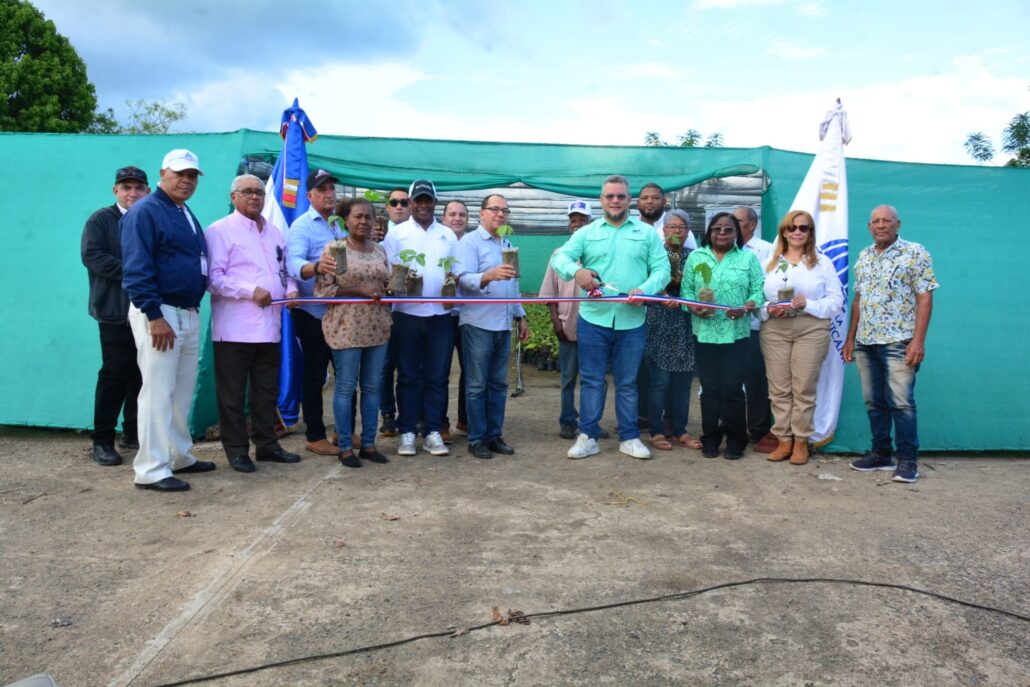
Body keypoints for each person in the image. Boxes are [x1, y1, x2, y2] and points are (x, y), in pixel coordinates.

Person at [552, 175, 670, 461]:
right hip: (594, 319)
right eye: (609, 196)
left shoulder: (647, 234)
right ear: (602, 200)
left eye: (620, 196)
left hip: (632, 321)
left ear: (630, 200)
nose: (615, 201)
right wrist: (576, 272)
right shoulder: (586, 233)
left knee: (627, 382)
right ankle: (588, 435)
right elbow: (560, 259)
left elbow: (662, 269)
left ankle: (629, 437)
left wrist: (646, 289)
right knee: (592, 380)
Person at [121, 149, 215, 491]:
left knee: (181, 392)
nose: (187, 180)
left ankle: (178, 455)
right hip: (160, 312)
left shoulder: (183, 211)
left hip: (186, 311)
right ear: (163, 173)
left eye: (192, 175)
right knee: (158, 392)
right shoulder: (145, 210)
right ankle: (151, 469)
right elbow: (135, 268)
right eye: (180, 174)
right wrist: (153, 314)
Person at [206, 174, 301, 473]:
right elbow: (214, 278)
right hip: (235, 329)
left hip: (270, 327)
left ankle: (267, 444)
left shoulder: (273, 231)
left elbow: (284, 269)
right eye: (247, 192)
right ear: (233, 196)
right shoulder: (220, 231)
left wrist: (292, 289)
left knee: (265, 391)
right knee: (232, 395)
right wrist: (250, 291)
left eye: (259, 192)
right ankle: (236, 450)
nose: (255, 197)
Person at [844, 205, 937, 483]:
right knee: (874, 401)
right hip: (866, 341)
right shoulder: (864, 256)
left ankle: (908, 460)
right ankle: (881, 453)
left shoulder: (915, 252)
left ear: (898, 224)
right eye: (875, 221)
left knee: (901, 403)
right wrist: (850, 339)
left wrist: (918, 341)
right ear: (869, 227)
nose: (881, 225)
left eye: (886, 220)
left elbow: (925, 297)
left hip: (899, 340)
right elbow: (858, 300)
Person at [758, 210, 844, 465]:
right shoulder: (768, 264)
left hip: (810, 328)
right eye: (791, 227)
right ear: (783, 231)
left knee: (803, 387)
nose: (797, 232)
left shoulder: (822, 263)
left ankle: (801, 442)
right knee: (779, 388)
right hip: (775, 329)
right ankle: (783, 440)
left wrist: (808, 304)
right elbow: (756, 301)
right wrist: (768, 309)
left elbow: (836, 302)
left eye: (803, 228)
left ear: (810, 232)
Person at [381, 179, 457, 457]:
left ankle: (433, 431)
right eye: (418, 200)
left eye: (428, 200)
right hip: (406, 315)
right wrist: (399, 283)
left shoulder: (448, 235)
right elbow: (388, 273)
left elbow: (455, 272)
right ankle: (408, 431)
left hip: (440, 316)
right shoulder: (397, 235)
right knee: (409, 376)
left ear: (435, 203)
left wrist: (452, 285)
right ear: (411, 203)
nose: (423, 205)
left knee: (437, 376)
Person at [315, 198, 392, 468]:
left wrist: (394, 288)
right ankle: (346, 446)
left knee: (372, 388)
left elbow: (387, 283)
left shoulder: (380, 251)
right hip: (346, 327)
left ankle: (369, 444)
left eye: (368, 217)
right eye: (358, 217)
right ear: (345, 220)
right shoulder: (336, 250)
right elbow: (324, 291)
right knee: (346, 387)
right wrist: (358, 291)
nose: (363, 222)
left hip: (377, 326)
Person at [81, 165, 148, 466]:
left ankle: (133, 433)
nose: (132, 193)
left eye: (138, 187)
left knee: (142, 374)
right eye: (126, 188)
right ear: (116, 191)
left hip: (149, 312)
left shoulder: (149, 218)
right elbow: (92, 257)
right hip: (114, 312)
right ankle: (103, 440)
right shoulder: (101, 219)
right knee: (115, 374)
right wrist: (136, 274)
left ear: (147, 190)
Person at [682, 212, 763, 460]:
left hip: (736, 334)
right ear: (709, 232)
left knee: (733, 388)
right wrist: (693, 306)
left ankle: (736, 439)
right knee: (710, 388)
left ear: (737, 233)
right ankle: (711, 437)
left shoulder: (748, 258)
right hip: (705, 332)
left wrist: (747, 306)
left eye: (728, 229)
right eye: (717, 229)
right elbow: (686, 292)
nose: (722, 233)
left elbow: (759, 290)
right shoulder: (697, 257)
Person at [454, 194, 529, 459]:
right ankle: (476, 438)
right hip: (478, 322)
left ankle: (494, 435)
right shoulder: (470, 243)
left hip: (502, 324)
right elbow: (462, 279)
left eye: (504, 210)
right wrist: (488, 276)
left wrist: (520, 315)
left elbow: (513, 284)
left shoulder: (507, 244)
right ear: (482, 213)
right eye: (494, 209)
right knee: (476, 385)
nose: (500, 214)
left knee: (498, 384)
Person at [286, 169, 345, 457]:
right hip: (312, 313)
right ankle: (314, 434)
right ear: (309, 195)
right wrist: (317, 267)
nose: (329, 194)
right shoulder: (302, 226)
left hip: (339, 313)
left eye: (332, 188)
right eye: (322, 190)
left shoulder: (338, 226)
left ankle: (343, 432)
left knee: (345, 373)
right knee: (315, 375)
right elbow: (293, 263)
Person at [538, 200, 608, 440]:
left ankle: (592, 423)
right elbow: (549, 292)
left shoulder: (599, 254)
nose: (578, 225)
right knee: (568, 378)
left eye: (582, 221)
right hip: (568, 326)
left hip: (597, 326)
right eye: (574, 221)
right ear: (569, 226)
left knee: (596, 378)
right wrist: (556, 321)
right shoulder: (559, 255)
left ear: (591, 224)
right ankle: (568, 421)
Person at [644, 210, 700, 451]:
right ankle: (656, 430)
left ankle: (680, 429)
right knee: (660, 382)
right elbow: (643, 285)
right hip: (659, 323)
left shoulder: (696, 258)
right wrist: (661, 294)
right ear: (663, 230)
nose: (677, 231)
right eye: (672, 227)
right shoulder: (653, 255)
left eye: (682, 227)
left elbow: (702, 287)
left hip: (686, 325)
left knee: (683, 381)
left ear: (688, 232)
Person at [733, 205, 776, 452]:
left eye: (737, 221)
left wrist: (749, 303)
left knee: (755, 380)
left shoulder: (767, 250)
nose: (731, 225)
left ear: (751, 224)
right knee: (729, 378)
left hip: (754, 325)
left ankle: (758, 429)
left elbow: (765, 287)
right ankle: (732, 425)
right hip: (727, 325)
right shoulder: (726, 249)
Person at [377, 187, 413, 437]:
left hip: (407, 310)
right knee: (384, 365)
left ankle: (409, 415)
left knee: (409, 365)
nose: (399, 206)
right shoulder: (376, 233)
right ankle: (387, 414)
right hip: (381, 312)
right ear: (387, 207)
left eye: (403, 202)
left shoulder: (415, 234)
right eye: (394, 202)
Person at [441, 199, 470, 437]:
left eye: (462, 215)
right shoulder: (439, 242)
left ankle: (465, 419)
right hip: (442, 315)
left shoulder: (472, 244)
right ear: (444, 218)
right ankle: (439, 423)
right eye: (452, 214)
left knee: (470, 370)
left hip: (468, 315)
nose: (457, 218)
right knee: (439, 370)